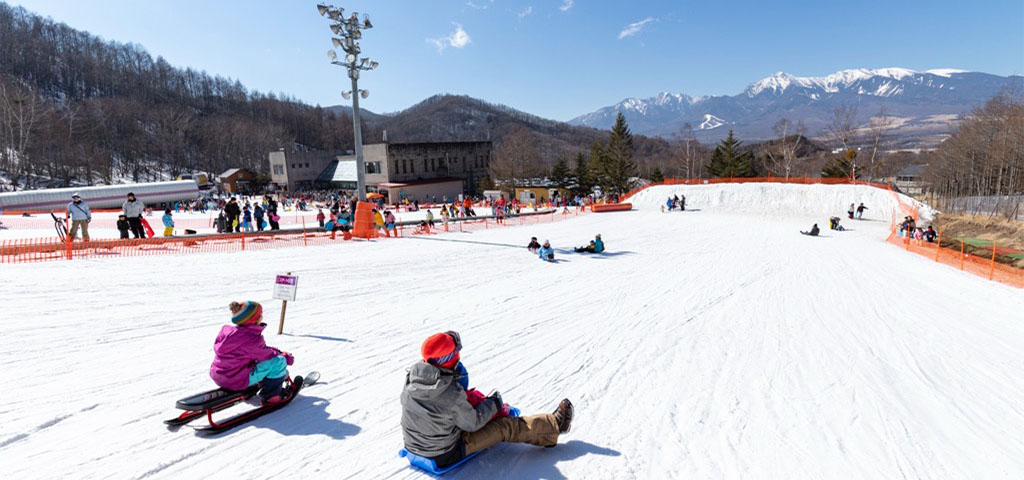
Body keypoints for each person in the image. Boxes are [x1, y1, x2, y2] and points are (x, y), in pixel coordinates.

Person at [400, 332, 573, 470]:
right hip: (443, 453)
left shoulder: (412, 379)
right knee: (505, 426)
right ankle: (553, 426)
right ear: (450, 358)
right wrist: (493, 404)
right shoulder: (451, 393)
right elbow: (473, 423)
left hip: (414, 446)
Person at [210, 301, 295, 406]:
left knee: (253, 360)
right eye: (260, 315)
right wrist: (285, 357)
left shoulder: (227, 332)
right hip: (235, 380)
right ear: (255, 319)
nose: (262, 317)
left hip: (219, 375)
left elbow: (258, 351)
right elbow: (267, 355)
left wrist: (277, 352)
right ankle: (272, 397)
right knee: (279, 362)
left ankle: (257, 383)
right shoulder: (252, 338)